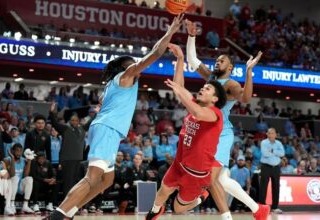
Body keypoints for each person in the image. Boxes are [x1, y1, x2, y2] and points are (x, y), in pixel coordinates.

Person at [47, 14, 183, 220]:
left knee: (106, 180)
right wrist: (170, 31)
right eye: (133, 63)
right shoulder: (126, 76)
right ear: (126, 67)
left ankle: (70, 211)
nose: (137, 65)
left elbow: (103, 104)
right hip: (107, 129)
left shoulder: (112, 85)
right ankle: (57, 215)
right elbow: (155, 53)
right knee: (92, 178)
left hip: (105, 128)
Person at [186, 19, 269, 220]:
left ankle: (221, 211)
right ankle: (259, 210)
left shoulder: (231, 84)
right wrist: (191, 36)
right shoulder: (210, 79)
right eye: (217, 59)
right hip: (206, 133)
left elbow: (246, 98)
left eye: (222, 60)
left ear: (230, 67)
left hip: (222, 134)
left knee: (212, 178)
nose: (217, 61)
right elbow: (192, 59)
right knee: (222, 179)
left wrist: (249, 72)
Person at [146, 43, 227, 219]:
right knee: (163, 191)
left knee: (177, 209)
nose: (202, 88)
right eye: (203, 87)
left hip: (196, 173)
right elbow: (180, 87)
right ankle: (155, 210)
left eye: (207, 89)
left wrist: (179, 91)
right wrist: (180, 59)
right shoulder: (195, 105)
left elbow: (196, 111)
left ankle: (201, 198)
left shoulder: (215, 114)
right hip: (179, 163)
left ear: (215, 98)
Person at [49, 102, 98, 198]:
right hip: (68, 160)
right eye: (72, 120)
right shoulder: (65, 129)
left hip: (78, 160)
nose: (74, 121)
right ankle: (66, 203)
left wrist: (96, 113)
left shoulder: (82, 129)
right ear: (70, 121)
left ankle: (74, 202)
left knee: (76, 182)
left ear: (79, 121)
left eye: (76, 120)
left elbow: (91, 122)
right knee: (68, 182)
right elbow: (54, 123)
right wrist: (51, 112)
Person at [259, 128, 285, 214]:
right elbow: (265, 154)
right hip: (266, 166)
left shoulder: (279, 143)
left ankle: (275, 207)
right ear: (267, 134)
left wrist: (272, 150)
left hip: (276, 167)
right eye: (269, 133)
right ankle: (262, 206)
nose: (271, 135)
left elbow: (282, 153)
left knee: (276, 187)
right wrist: (276, 153)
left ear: (275, 135)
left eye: (272, 133)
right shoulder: (264, 143)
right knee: (263, 187)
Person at [4, 144, 34, 214]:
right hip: (9, 187)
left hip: (19, 186)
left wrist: (29, 161)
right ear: (12, 151)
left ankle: (25, 205)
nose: (19, 153)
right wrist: (12, 159)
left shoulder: (23, 160)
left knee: (29, 178)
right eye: (17, 151)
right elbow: (12, 174)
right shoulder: (7, 160)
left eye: (20, 151)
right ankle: (11, 204)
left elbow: (25, 175)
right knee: (15, 178)